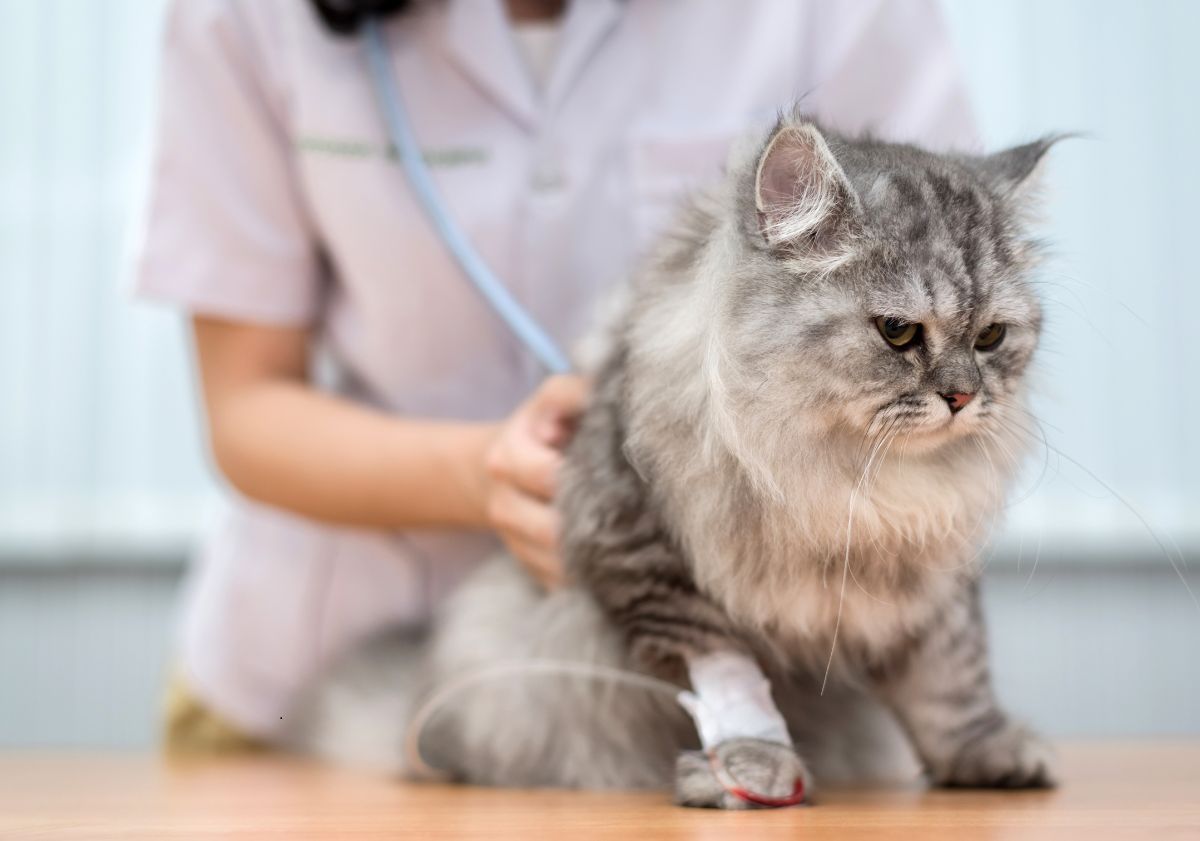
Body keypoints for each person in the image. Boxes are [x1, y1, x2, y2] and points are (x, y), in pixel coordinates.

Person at [136, 0, 978, 752]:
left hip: (788, 696)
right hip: (321, 693)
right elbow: (245, 411)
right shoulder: (243, 15)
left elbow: (958, 302)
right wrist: (482, 476)